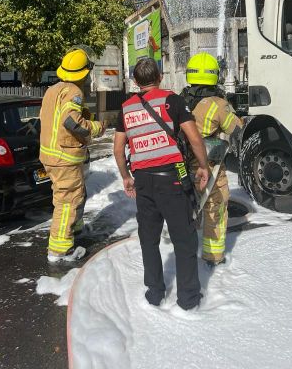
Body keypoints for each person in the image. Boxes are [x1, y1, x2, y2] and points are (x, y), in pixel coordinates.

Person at [113, 57, 209, 310]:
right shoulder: (172, 101)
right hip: (173, 177)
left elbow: (118, 148)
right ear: (160, 77)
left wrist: (126, 176)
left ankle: (154, 293)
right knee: (184, 239)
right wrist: (203, 165)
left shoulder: (126, 108)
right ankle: (188, 299)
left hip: (143, 180)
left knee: (149, 238)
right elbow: (194, 138)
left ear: (135, 82)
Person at [40, 48, 105, 263]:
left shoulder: (53, 90)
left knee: (76, 195)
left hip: (52, 156)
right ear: (83, 73)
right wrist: (96, 127)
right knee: (67, 201)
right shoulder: (73, 92)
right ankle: (60, 250)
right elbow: (72, 122)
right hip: (64, 157)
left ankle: (75, 229)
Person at [181, 52, 242, 268]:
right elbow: (236, 130)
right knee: (216, 206)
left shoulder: (179, 100)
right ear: (214, 75)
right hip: (209, 166)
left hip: (181, 165)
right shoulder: (218, 103)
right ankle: (213, 256)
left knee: (186, 206)